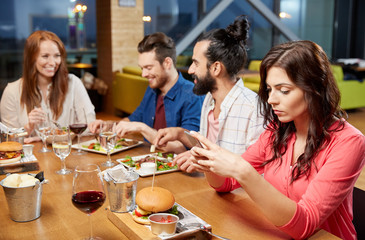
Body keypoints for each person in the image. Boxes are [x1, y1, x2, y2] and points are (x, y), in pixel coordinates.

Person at [185, 40, 365, 239]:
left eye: (284, 90)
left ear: (315, 88)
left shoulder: (349, 142)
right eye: (269, 89)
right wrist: (209, 163)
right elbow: (226, 184)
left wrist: (244, 172)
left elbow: (305, 224)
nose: (271, 99)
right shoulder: (276, 131)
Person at [153, 15, 264, 171]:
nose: (190, 70)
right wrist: (180, 133)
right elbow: (208, 145)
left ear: (216, 68)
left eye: (196, 63)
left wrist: (204, 162)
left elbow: (256, 170)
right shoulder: (209, 99)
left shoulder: (254, 108)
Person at [89, 32, 203, 151]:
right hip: (147, 162)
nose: (143, 74)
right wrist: (108, 125)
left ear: (167, 63)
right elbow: (133, 119)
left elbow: (185, 148)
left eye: (148, 68)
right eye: (142, 68)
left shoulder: (193, 95)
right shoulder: (152, 89)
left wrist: (142, 128)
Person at [0, 30, 95, 142]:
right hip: (33, 158)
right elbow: (8, 142)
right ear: (31, 59)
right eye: (45, 56)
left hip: (68, 155)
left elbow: (89, 127)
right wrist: (28, 128)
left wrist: (43, 139)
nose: (52, 62)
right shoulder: (12, 91)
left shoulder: (73, 83)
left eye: (57, 56)